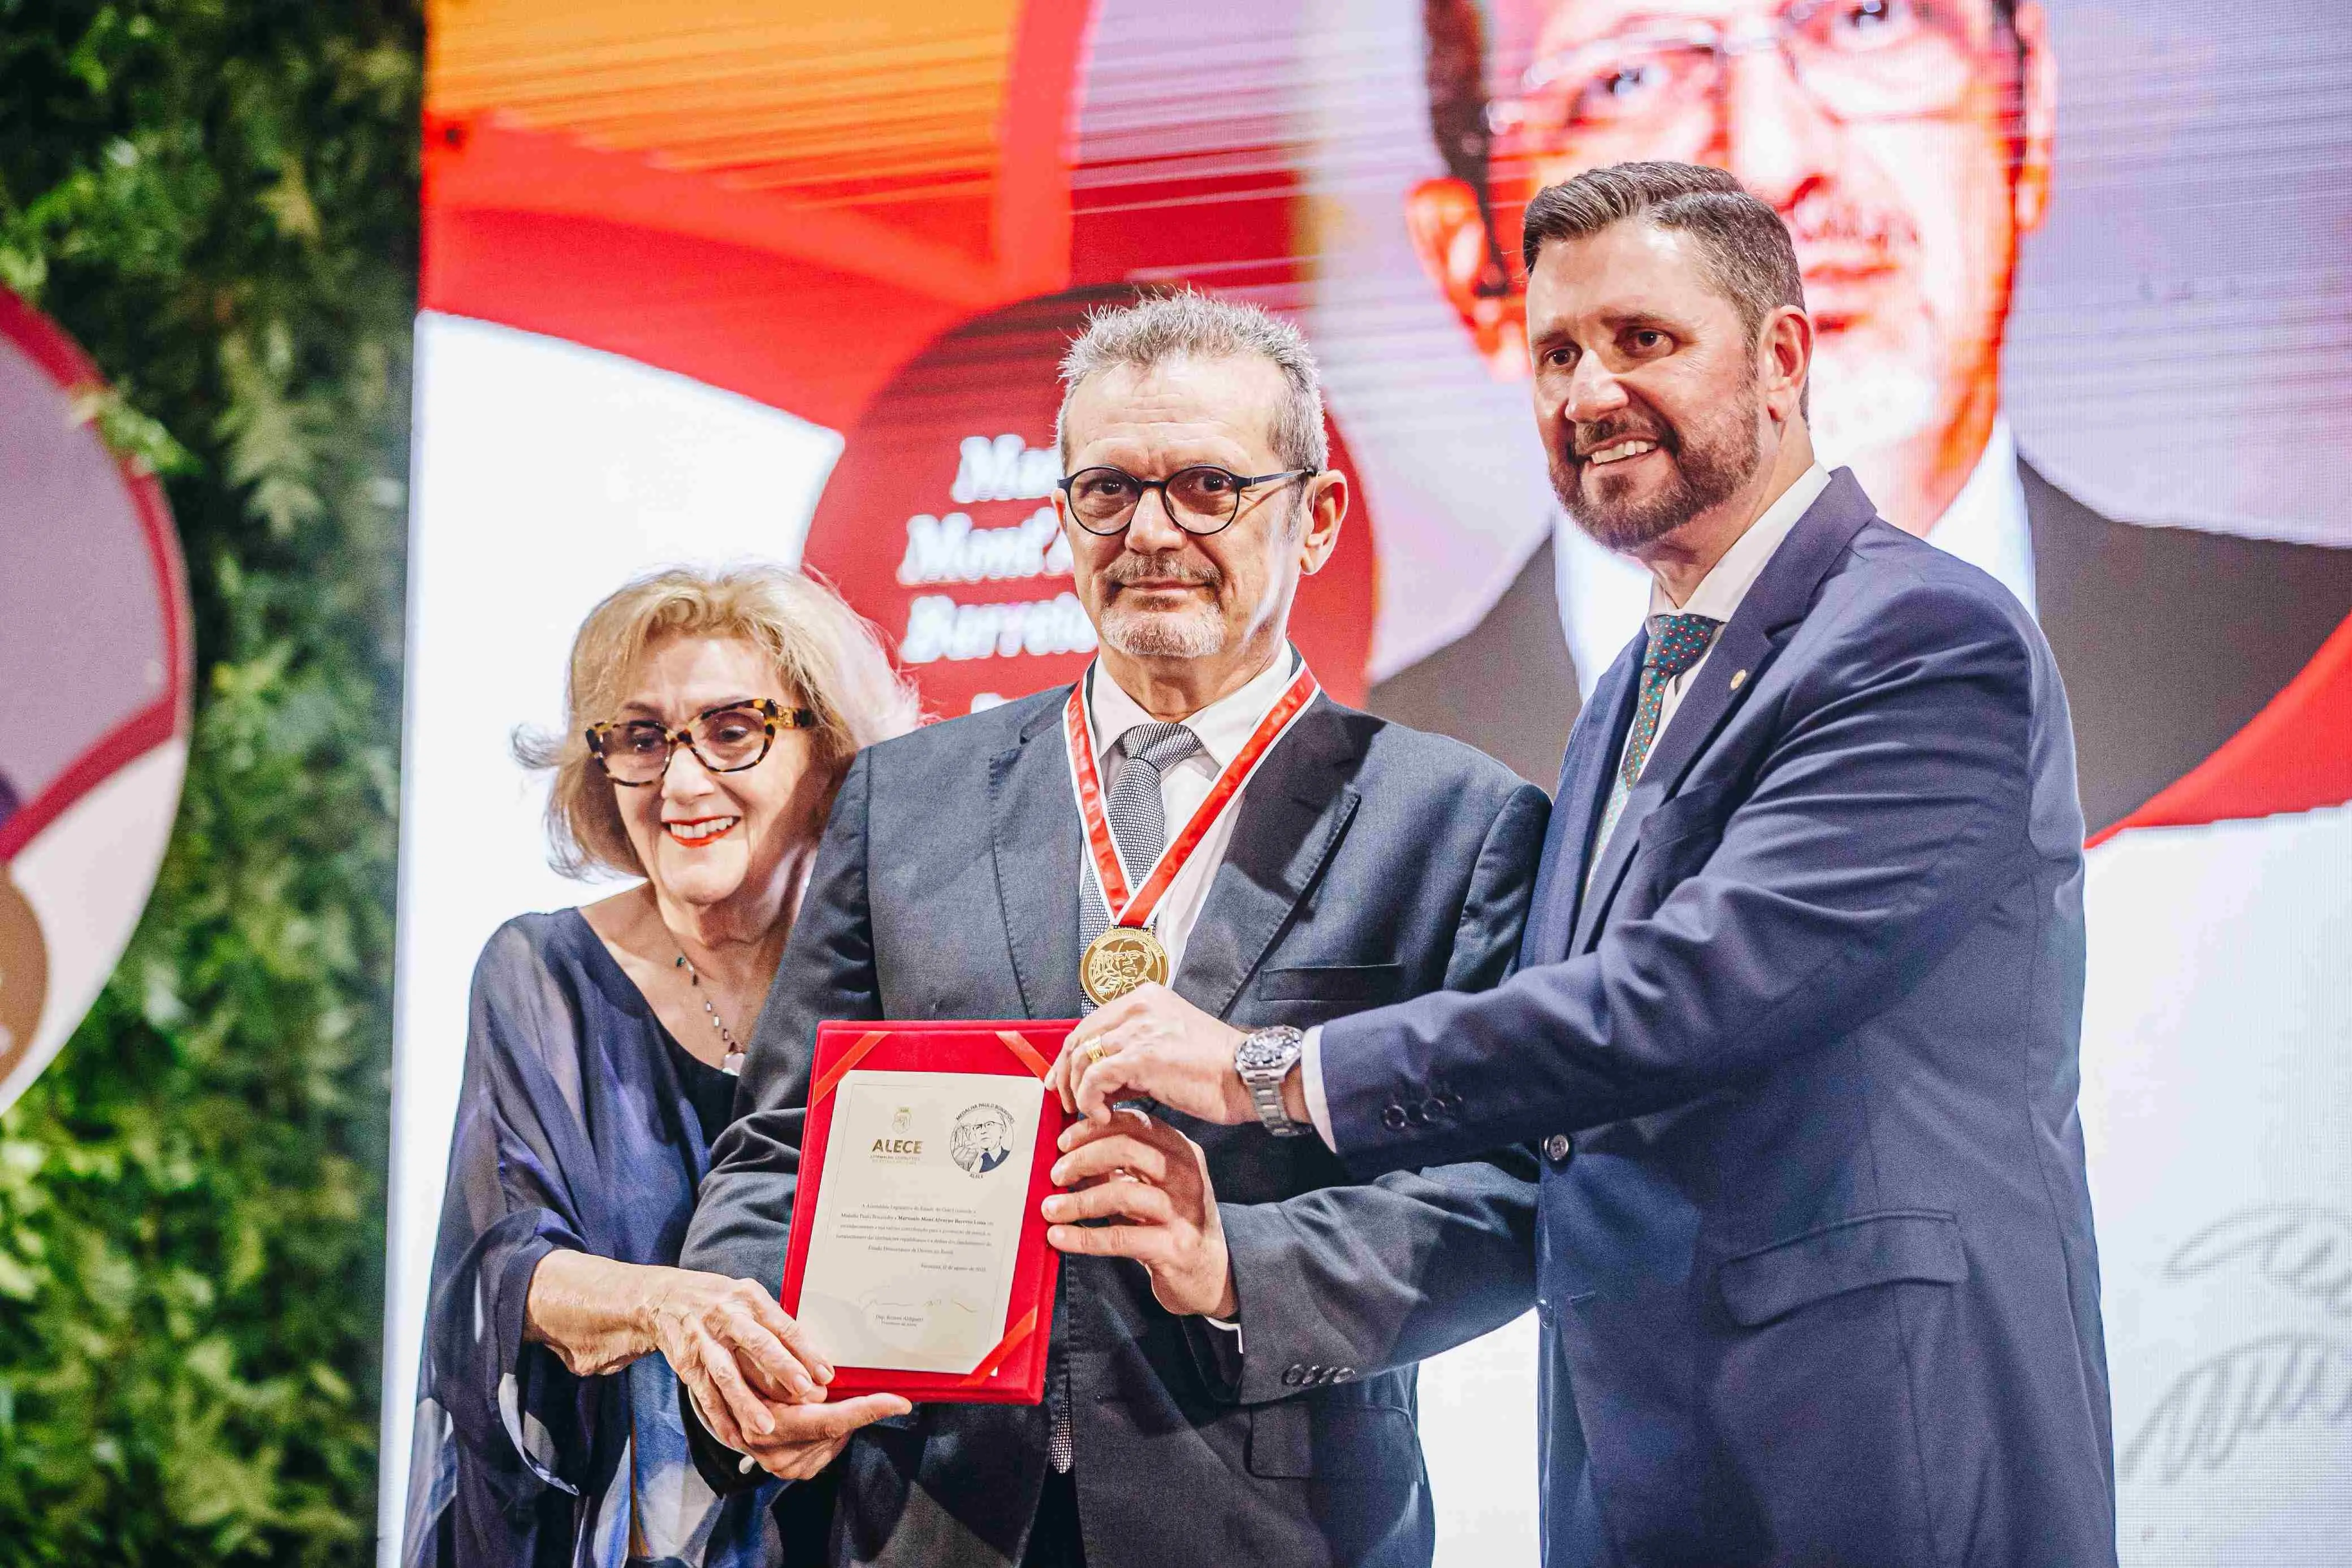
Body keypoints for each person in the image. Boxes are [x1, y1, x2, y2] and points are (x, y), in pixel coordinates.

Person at [1062, 164, 2117, 1566]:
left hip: (1878, 1435)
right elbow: (1550, 1114)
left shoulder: (1921, 638)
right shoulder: (1629, 681)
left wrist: (1264, 1071)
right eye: (1555, 352)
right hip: (1639, 1447)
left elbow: (1687, 998)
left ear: (1784, 357)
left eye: (1643, 340)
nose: (1585, 391)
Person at [677, 293, 1550, 1567]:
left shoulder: (1455, 822)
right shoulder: (906, 798)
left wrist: (1233, 1256)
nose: (1151, 532)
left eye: (1206, 485)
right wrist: (756, 1348)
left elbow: (1506, 1197)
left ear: (1314, 519)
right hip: (919, 1512)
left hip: (1273, 1525)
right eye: (1106, 491)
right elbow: (776, 1149)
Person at [1373, 0, 2352, 831]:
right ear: (1485, 279)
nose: (1774, 159)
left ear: (2029, 117)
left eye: (1867, 14)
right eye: (1629, 79)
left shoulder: (2321, 683)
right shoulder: (1305, 846)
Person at [404, 566, 919, 1567]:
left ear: (832, 751)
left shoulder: (909, 973)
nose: (682, 782)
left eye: (734, 730)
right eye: (642, 739)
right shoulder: (540, 973)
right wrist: (673, 1306)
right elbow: (501, 1267)